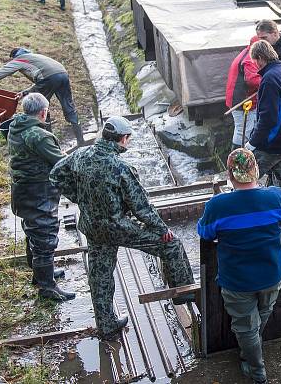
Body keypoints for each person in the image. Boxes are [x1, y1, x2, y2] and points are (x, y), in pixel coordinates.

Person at [50, 116, 195, 340]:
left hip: (92, 226)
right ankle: (183, 294)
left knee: (100, 275)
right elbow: (142, 207)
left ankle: (106, 325)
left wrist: (78, 196)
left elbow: (56, 174)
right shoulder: (121, 167)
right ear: (123, 139)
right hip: (119, 226)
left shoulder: (80, 155)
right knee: (172, 245)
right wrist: (161, 228)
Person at [197, 148, 281, 384]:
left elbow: (205, 233)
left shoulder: (218, 205)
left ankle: (257, 371)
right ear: (256, 172)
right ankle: (249, 351)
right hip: (271, 275)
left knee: (246, 327)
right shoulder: (277, 196)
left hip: (237, 281)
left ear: (230, 176)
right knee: (260, 317)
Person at [8, 93, 74, 302]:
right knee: (45, 237)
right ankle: (47, 287)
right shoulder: (38, 135)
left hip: (23, 190)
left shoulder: (16, 126)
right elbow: (61, 162)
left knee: (33, 232)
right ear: (43, 112)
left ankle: (41, 275)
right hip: (39, 192)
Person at [0, 47, 84, 145]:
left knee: (41, 106)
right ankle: (80, 140)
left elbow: (4, 71)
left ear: (14, 57)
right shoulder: (34, 56)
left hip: (48, 78)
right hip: (62, 73)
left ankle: (49, 139)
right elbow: (40, 83)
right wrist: (25, 92)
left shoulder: (19, 59)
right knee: (68, 105)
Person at [246, 40, 281, 194]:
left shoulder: (269, 79)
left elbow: (268, 118)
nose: (255, 65)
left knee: (245, 178)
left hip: (272, 144)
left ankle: (242, 212)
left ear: (260, 58)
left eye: (254, 61)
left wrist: (253, 142)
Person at [225, 35, 261, 150]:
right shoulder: (249, 60)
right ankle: (237, 157)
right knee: (243, 131)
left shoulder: (246, 52)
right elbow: (253, 80)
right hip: (242, 100)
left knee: (243, 129)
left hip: (237, 98)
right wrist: (270, 80)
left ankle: (237, 155)